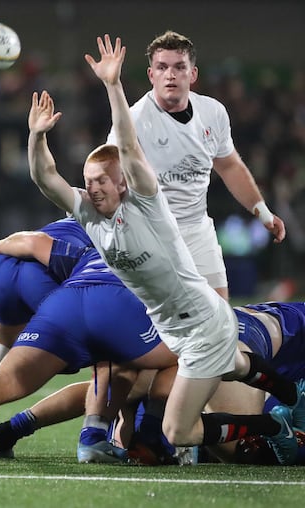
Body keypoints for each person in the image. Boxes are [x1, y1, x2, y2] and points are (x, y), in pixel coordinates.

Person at [24, 34, 302, 464]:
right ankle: (279, 396)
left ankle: (172, 431)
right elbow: (47, 180)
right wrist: (36, 137)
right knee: (224, 363)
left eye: (104, 180)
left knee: (186, 414)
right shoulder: (92, 215)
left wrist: (112, 85)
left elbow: (136, 153)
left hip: (198, 313)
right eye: (89, 182)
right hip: (178, 322)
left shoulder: (151, 206)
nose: (94, 188)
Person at [0, 225, 180, 465]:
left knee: (6, 374)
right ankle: (108, 437)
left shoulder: (87, 245)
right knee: (163, 358)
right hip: (99, 298)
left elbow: (35, 240)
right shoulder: (150, 245)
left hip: (47, 293)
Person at [0, 301, 305, 466]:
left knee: (133, 387)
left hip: (218, 326)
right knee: (238, 451)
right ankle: (263, 428)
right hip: (239, 337)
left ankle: (14, 427)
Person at [106, 30, 285, 300]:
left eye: (179, 67)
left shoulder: (213, 113)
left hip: (197, 229)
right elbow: (106, 175)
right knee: (153, 328)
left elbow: (230, 166)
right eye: (162, 67)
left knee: (220, 319)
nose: (170, 74)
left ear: (193, 74)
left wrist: (262, 211)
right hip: (148, 234)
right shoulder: (133, 120)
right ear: (151, 75)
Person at [0, 217, 92, 458]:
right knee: (109, 360)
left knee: (0, 341)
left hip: (4, 265)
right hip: (43, 274)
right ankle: (96, 436)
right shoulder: (115, 231)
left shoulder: (71, 219)